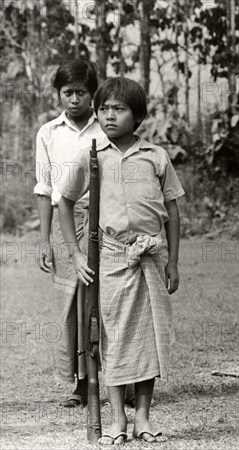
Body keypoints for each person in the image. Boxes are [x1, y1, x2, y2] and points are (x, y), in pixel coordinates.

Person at [56, 77, 184, 445]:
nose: (109, 116)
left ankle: (142, 416)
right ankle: (116, 419)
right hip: (109, 258)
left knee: (149, 338)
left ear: (138, 115)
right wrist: (76, 253)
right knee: (110, 337)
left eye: (119, 109)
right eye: (104, 109)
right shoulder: (91, 154)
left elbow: (173, 214)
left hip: (152, 257)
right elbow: (64, 200)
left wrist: (173, 261)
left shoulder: (156, 156)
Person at [34, 59, 103, 408]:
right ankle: (79, 383)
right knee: (71, 305)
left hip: (104, 220)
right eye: (67, 92)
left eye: (81, 92)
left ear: (92, 94)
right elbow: (45, 190)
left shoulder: (105, 128)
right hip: (64, 223)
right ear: (59, 94)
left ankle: (123, 378)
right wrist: (46, 241)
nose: (74, 100)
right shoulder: (48, 133)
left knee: (105, 301)